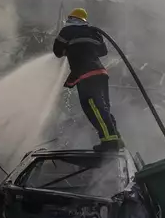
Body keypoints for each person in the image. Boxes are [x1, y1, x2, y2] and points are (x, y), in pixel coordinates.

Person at [53, 8, 123, 152]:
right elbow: (103, 51)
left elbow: (57, 51)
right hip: (101, 73)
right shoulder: (93, 32)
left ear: (71, 18)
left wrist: (70, 50)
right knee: (103, 108)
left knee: (94, 108)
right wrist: (84, 48)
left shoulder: (67, 31)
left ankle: (109, 142)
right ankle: (116, 138)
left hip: (86, 75)